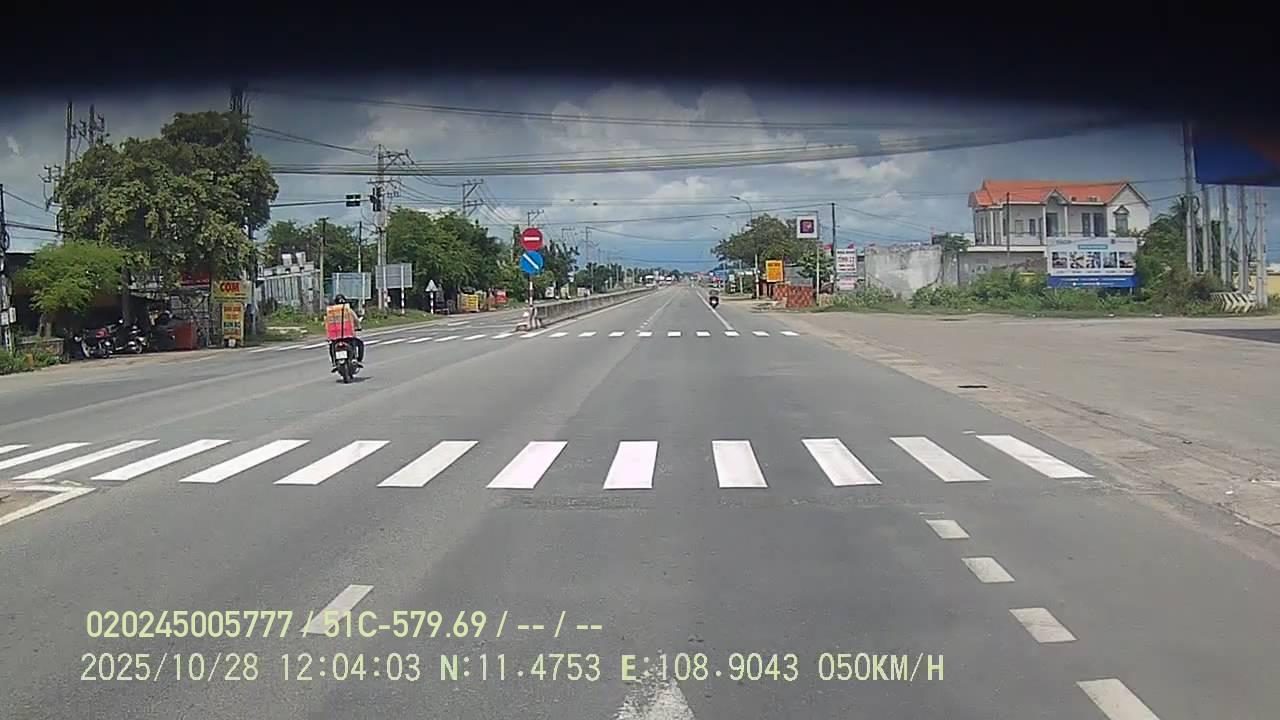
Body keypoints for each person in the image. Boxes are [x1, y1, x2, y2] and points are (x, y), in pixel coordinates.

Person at [325, 294, 364, 368]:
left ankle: (334, 362)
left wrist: (329, 335)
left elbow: (327, 323)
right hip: (348, 335)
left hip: (335, 336)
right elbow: (356, 319)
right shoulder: (348, 310)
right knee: (359, 344)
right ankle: (358, 359)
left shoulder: (332, 311)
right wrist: (359, 327)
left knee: (332, 346)